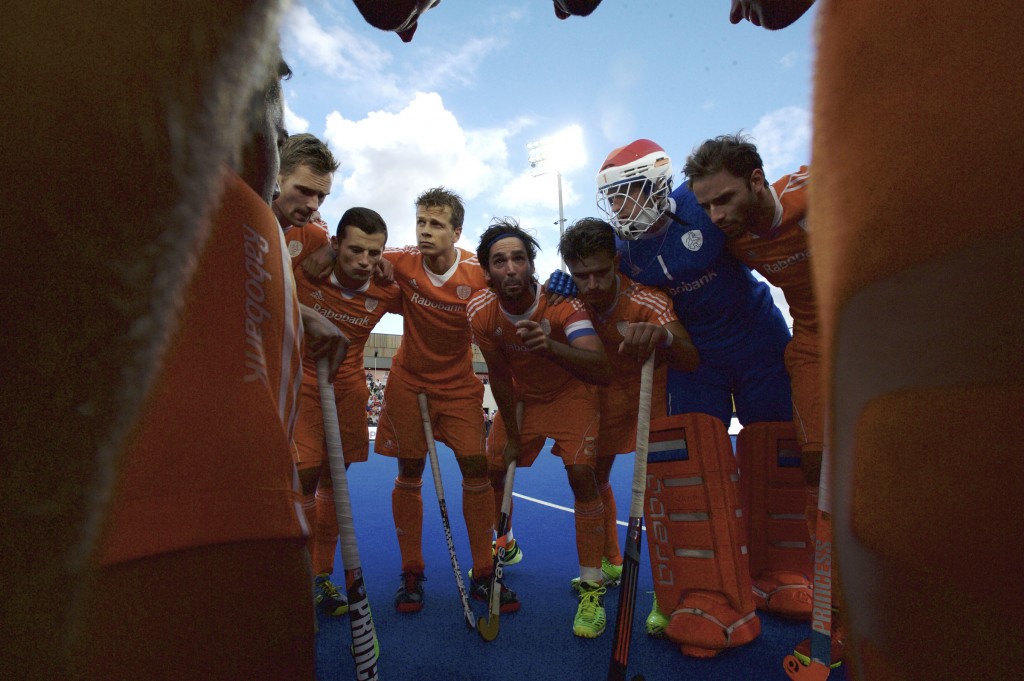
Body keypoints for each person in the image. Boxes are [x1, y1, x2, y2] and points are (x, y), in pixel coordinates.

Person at [66, 51, 347, 680]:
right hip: (156, 541)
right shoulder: (159, 176)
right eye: (270, 121)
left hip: (256, 532)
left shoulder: (256, 222)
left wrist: (299, 314)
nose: (309, 204)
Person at [596, 139, 811, 657]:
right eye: (613, 197)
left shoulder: (705, 201)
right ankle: (710, 596)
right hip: (694, 356)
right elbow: (600, 285)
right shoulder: (621, 251)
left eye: (627, 192)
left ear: (657, 182)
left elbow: (769, 215)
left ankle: (781, 570)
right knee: (690, 465)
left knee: (778, 452)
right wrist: (567, 284)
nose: (621, 207)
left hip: (759, 337)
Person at [467, 219, 614, 638]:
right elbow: (497, 373)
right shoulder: (481, 312)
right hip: (523, 398)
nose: (510, 268)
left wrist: (549, 345)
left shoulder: (564, 304)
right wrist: (512, 437)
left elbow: (600, 367)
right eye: (500, 261)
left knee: (582, 476)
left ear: (532, 266)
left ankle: (591, 587)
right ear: (488, 272)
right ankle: (506, 542)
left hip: (573, 394)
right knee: (494, 470)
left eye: (519, 258)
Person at [370, 187, 511, 614]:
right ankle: (412, 571)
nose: (425, 232)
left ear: (457, 231)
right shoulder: (401, 261)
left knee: (476, 469)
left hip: (458, 387)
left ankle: (483, 572)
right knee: (408, 472)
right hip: (408, 383)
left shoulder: (478, 274)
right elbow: (354, 254)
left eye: (436, 224)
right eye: (421, 222)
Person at [557, 217, 700, 587]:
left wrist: (663, 339)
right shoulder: (569, 298)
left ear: (616, 263)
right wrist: (545, 291)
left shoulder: (647, 299)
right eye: (580, 275)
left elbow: (690, 358)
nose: (591, 285)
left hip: (645, 396)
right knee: (590, 477)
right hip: (598, 396)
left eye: (600, 273)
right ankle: (611, 562)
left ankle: (670, 590)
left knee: (659, 490)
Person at [288, 206, 403, 617]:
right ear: (335, 244)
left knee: (334, 483)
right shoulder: (304, 267)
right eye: (356, 250)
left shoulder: (387, 287)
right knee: (303, 475)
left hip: (348, 386)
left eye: (375, 253)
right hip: (298, 380)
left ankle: (320, 576)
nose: (365, 261)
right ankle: (294, 576)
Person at [273, 133, 339, 235]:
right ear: (275, 178)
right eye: (305, 191)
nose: (314, 206)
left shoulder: (317, 240)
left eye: (321, 196)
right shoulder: (241, 214)